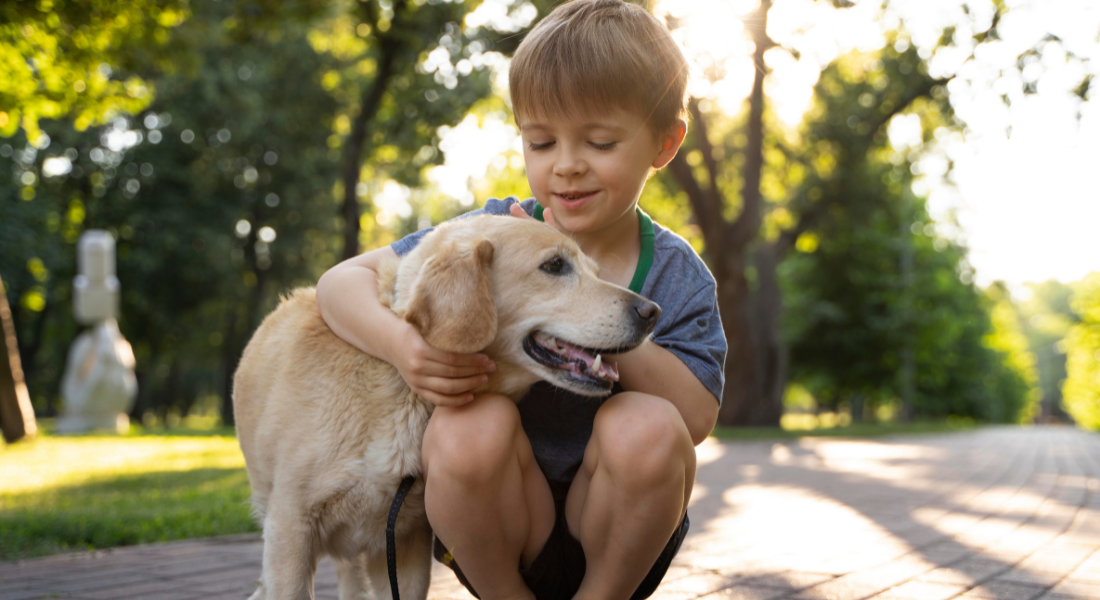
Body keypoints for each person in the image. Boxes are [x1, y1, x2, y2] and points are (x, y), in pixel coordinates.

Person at [316, 0, 726, 598]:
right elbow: (337, 285)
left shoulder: (677, 273)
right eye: (540, 142)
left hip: (621, 532)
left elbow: (693, 420)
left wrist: (602, 318)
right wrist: (405, 348)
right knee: (465, 427)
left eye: (601, 142)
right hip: (499, 522)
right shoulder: (494, 236)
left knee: (647, 425)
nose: (566, 167)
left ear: (664, 144)